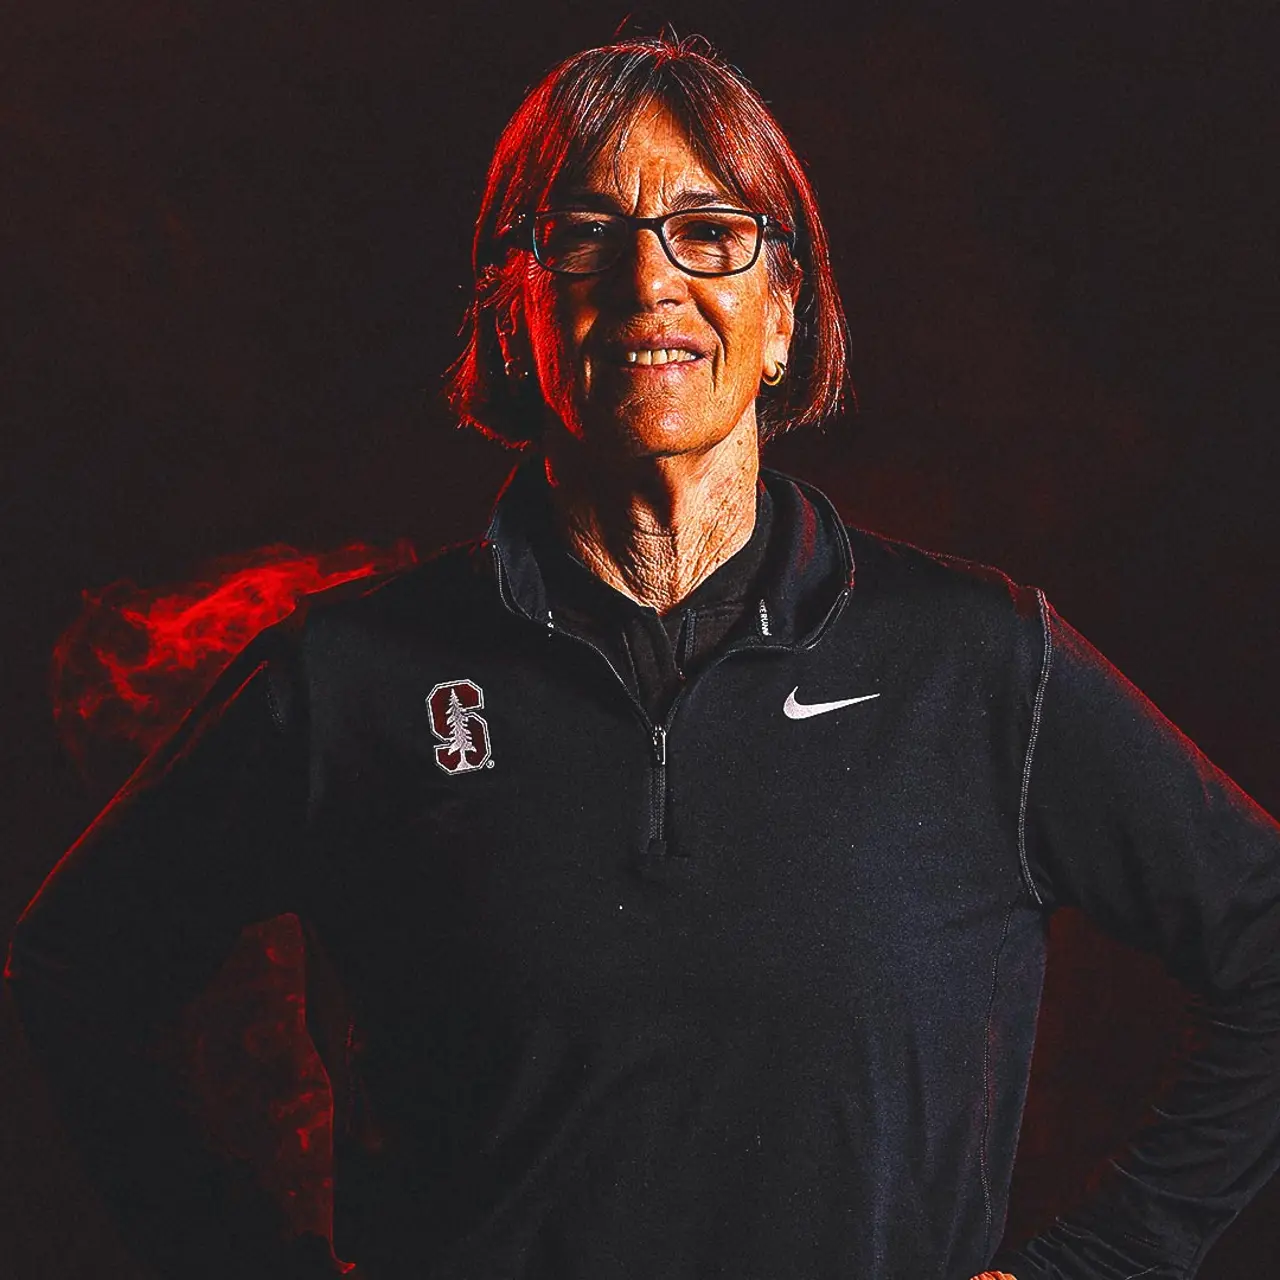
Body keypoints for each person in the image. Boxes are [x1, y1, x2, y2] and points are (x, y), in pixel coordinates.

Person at [8, 34, 1280, 1280]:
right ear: (511, 312)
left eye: (709, 232)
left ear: (782, 315)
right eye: (582, 234)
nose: (647, 281)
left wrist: (1105, 1262)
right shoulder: (348, 678)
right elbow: (77, 969)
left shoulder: (978, 660)